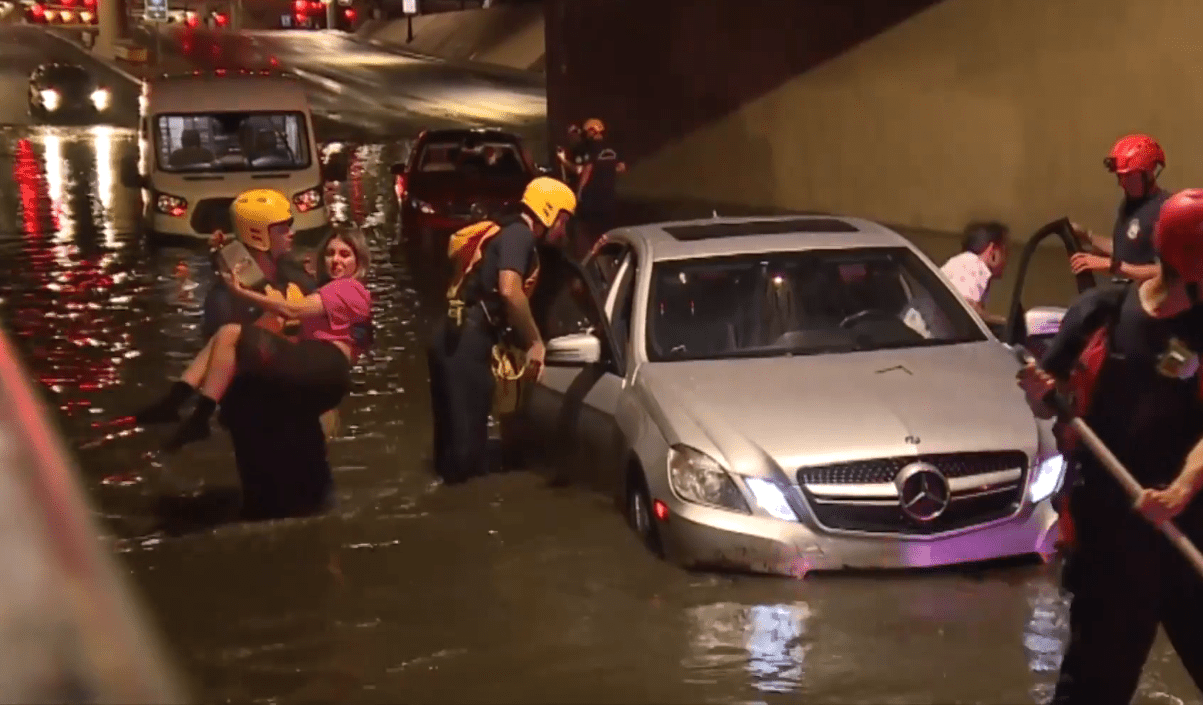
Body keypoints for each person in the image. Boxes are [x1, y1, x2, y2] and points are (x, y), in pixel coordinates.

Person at [1016, 188, 1203, 704]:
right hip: (1112, 541)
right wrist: (1040, 392)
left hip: (1187, 532)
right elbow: (1049, 398)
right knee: (1091, 691)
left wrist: (1182, 489)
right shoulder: (1101, 313)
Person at [135, 227, 373, 452]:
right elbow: (282, 313)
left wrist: (241, 293)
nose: (336, 260)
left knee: (235, 332)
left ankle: (195, 414)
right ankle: (178, 402)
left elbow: (292, 310)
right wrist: (225, 254)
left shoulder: (350, 289)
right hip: (314, 361)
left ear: (359, 261)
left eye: (345, 254)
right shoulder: (326, 291)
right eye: (330, 253)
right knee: (228, 334)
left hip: (327, 363)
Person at [428, 176, 576, 484]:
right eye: (564, 221)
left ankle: (447, 496)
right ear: (549, 213)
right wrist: (535, 341)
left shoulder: (504, 229)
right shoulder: (519, 236)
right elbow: (509, 289)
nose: (564, 231)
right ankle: (466, 513)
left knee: (452, 444)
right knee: (468, 451)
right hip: (467, 341)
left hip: (451, 336)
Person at [1070, 134, 1172, 283]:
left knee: (1090, 303)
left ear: (1149, 173)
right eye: (1120, 177)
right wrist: (1087, 237)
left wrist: (1114, 267)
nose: (1122, 184)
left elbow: (1169, 272)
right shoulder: (1130, 205)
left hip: (1147, 299)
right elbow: (1125, 248)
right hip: (1123, 292)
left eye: (1129, 177)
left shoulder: (1166, 210)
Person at [569, 118, 626, 259]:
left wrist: (579, 190)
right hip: (609, 197)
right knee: (606, 231)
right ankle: (607, 254)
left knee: (587, 231)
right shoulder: (612, 148)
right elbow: (621, 168)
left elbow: (587, 169)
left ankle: (589, 258)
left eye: (587, 131)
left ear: (593, 131)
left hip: (593, 198)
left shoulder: (590, 147)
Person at [939, 220, 1010, 326]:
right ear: (993, 251)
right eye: (1005, 251)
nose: (1006, 259)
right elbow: (966, 308)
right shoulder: (971, 265)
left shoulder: (964, 264)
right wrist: (1006, 323)